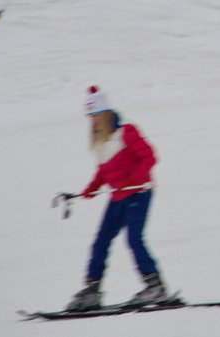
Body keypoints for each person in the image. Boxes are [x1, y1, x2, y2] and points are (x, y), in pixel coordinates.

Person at [66, 86, 168, 312]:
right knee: (100, 241)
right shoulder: (101, 141)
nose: (92, 121)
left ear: (104, 113)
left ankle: (155, 286)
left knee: (134, 239)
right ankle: (92, 290)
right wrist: (92, 187)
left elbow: (150, 157)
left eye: (94, 115)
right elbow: (105, 171)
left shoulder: (127, 132)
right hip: (118, 197)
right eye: (89, 117)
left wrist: (132, 179)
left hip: (139, 193)